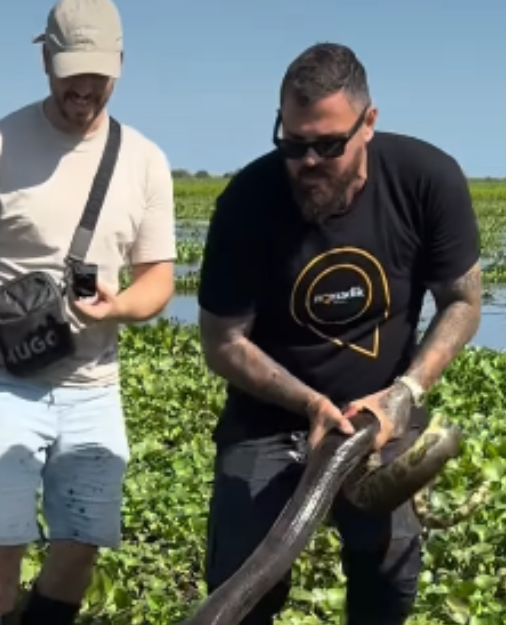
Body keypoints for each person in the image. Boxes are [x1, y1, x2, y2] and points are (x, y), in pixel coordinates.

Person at [0, 0, 177, 621]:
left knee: (82, 544)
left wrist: (120, 306)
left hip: (93, 383)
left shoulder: (144, 161)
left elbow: (158, 278)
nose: (84, 88)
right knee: (4, 542)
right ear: (46, 59)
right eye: (71, 72)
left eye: (98, 74)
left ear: (120, 64)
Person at [196, 42, 482, 625]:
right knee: (241, 585)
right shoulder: (247, 202)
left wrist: (404, 394)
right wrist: (309, 404)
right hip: (268, 420)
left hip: (380, 418)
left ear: (368, 123)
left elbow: (463, 301)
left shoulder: (426, 180)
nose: (308, 161)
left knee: (388, 580)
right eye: (293, 143)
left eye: (328, 145)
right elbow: (222, 340)